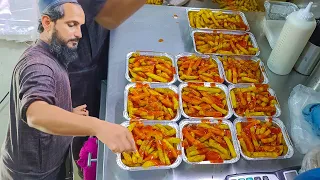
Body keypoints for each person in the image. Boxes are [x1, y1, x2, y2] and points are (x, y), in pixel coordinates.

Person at [0, 1, 139, 179]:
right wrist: (98, 127)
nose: (79, 34)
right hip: (34, 173)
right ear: (47, 22)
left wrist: (68, 111)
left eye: (81, 26)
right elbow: (36, 114)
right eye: (71, 25)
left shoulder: (57, 53)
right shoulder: (38, 65)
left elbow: (49, 102)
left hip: (55, 153)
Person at [66, 0, 145, 178]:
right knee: (82, 118)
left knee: (103, 103)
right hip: (75, 55)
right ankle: (87, 164)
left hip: (93, 35)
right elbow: (109, 16)